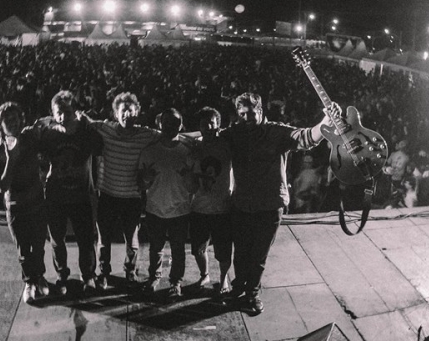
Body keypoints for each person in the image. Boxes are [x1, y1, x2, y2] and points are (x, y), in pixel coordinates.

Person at [220, 92, 336, 315]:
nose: (246, 119)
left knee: (258, 255)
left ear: (260, 111)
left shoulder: (276, 132)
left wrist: (325, 122)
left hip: (269, 205)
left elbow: (305, 138)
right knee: (241, 252)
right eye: (241, 114)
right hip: (242, 204)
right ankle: (238, 288)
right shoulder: (235, 133)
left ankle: (252, 294)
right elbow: (211, 136)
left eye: (250, 114)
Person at [89, 92, 160, 290]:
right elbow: (84, 122)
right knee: (104, 239)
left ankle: (130, 271)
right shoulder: (106, 129)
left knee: (132, 240)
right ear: (115, 113)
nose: (127, 114)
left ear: (137, 113)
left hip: (132, 197)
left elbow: (171, 135)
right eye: (123, 111)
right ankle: (104, 273)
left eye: (131, 111)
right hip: (107, 194)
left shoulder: (146, 134)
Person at [35, 91, 103, 295]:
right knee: (57, 239)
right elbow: (36, 151)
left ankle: (88, 275)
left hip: (81, 195)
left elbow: (100, 149)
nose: (63, 116)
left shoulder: (85, 131)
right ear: (52, 113)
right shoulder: (49, 133)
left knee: (86, 239)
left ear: (75, 111)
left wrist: (87, 123)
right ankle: (62, 276)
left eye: (67, 111)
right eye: (58, 112)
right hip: (56, 195)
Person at [0, 101, 50, 304]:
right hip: (16, 208)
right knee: (23, 250)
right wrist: (11, 159)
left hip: (37, 202)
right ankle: (29, 282)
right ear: (0, 126)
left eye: (15, 119)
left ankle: (40, 276)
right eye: (8, 120)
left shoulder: (29, 139)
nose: (13, 123)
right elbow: (2, 186)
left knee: (39, 246)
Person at [138, 108, 197, 299]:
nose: (170, 126)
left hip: (180, 210)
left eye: (175, 123)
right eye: (166, 122)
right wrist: (146, 179)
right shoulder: (149, 151)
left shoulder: (188, 152)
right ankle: (154, 277)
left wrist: (188, 178)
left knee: (178, 250)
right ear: (160, 124)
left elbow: (194, 187)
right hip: (155, 208)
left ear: (181, 125)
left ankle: (176, 282)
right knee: (155, 248)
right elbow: (140, 184)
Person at [189, 107, 233, 294]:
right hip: (199, 207)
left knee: (223, 251)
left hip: (222, 208)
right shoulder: (194, 145)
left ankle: (223, 280)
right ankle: (204, 274)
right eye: (203, 124)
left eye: (211, 123)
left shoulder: (227, 145)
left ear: (218, 125)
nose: (207, 127)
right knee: (198, 249)